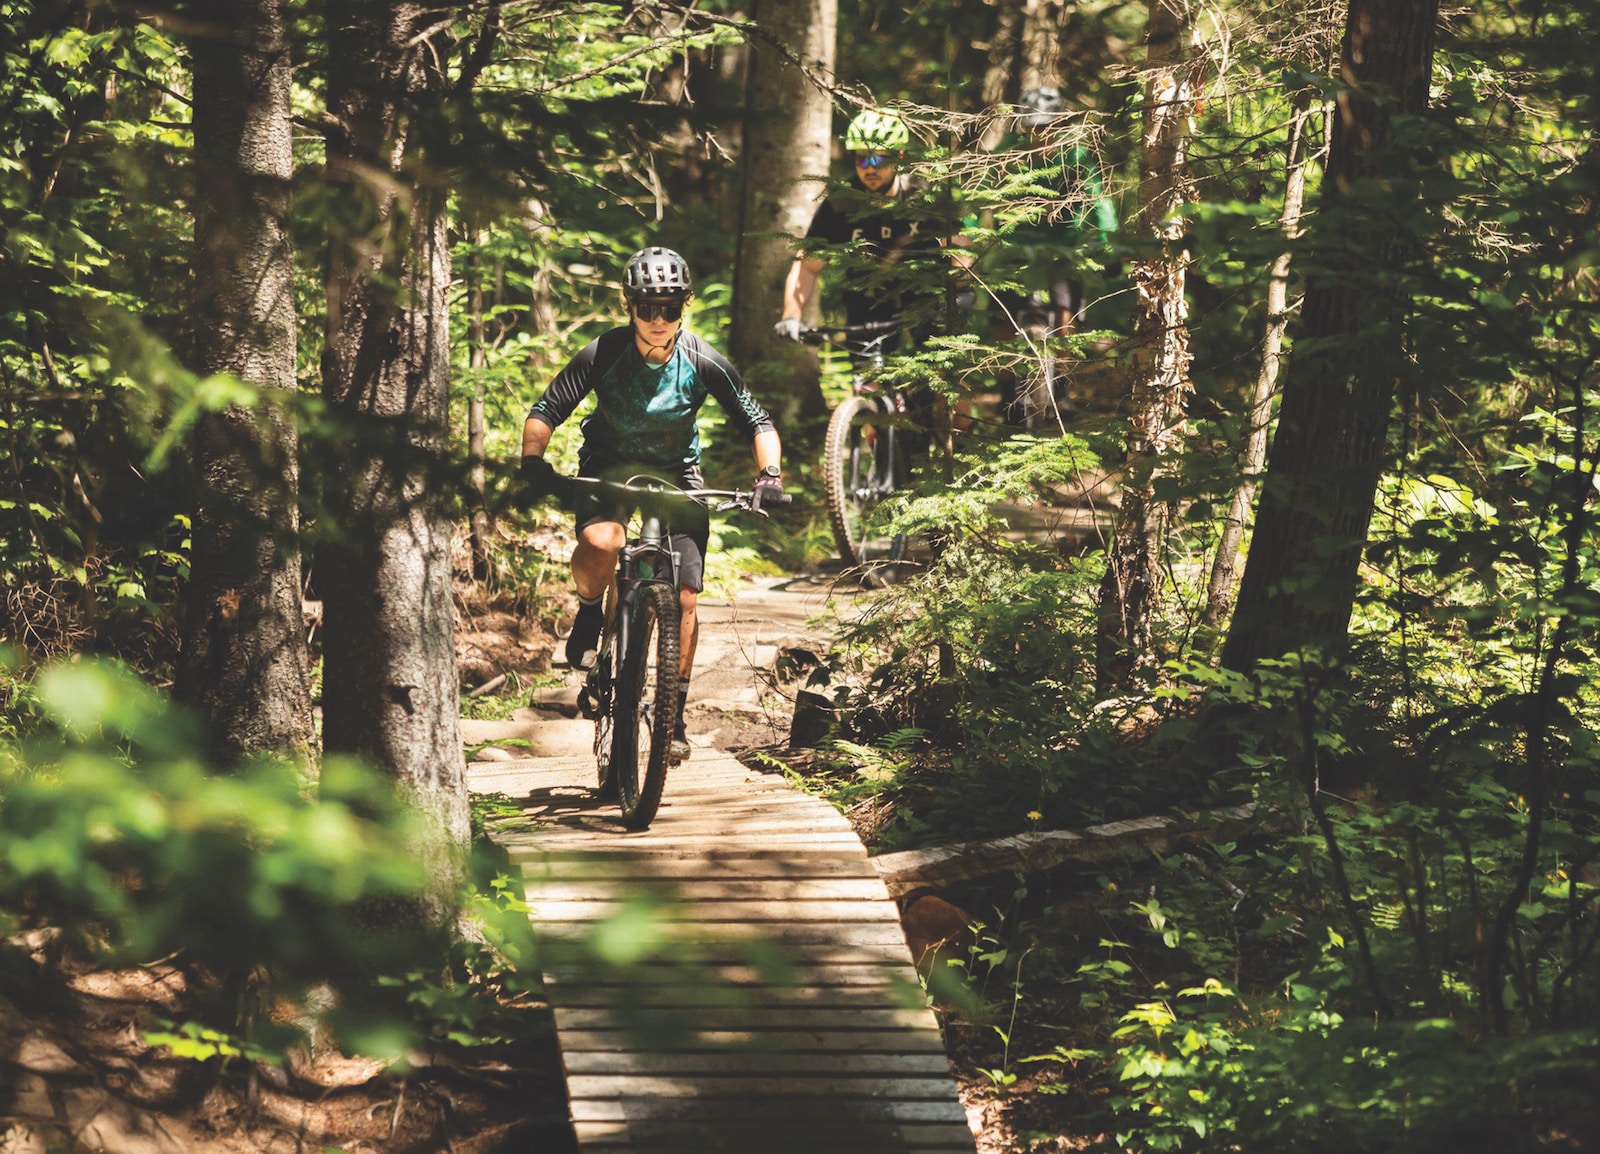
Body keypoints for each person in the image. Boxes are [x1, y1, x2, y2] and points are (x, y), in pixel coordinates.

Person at [520, 246, 784, 761]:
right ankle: (592, 612)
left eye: (669, 307)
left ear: (684, 305)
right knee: (603, 540)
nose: (658, 319)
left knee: (684, 596)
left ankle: (673, 715)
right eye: (647, 307)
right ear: (629, 305)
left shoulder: (702, 359)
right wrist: (533, 461)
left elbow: (757, 420)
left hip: (677, 474)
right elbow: (547, 409)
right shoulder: (604, 352)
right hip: (608, 463)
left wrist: (769, 474)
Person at [773, 108, 957, 340]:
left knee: (940, 371)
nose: (869, 167)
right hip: (867, 304)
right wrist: (791, 315)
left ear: (899, 156)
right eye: (861, 158)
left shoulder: (923, 195)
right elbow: (807, 265)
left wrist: (961, 288)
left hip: (925, 297)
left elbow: (959, 247)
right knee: (870, 375)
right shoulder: (841, 203)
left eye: (878, 158)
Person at [989, 85, 1120, 341]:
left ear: (1058, 125)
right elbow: (979, 192)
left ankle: (1061, 370)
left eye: (1046, 127)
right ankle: (1004, 375)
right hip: (1014, 249)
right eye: (1033, 128)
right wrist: (967, 237)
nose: (1040, 135)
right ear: (1023, 127)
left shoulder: (1074, 155)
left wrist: (1108, 244)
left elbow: (1098, 200)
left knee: (1065, 311)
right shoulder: (1006, 152)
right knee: (1002, 320)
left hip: (1062, 250)